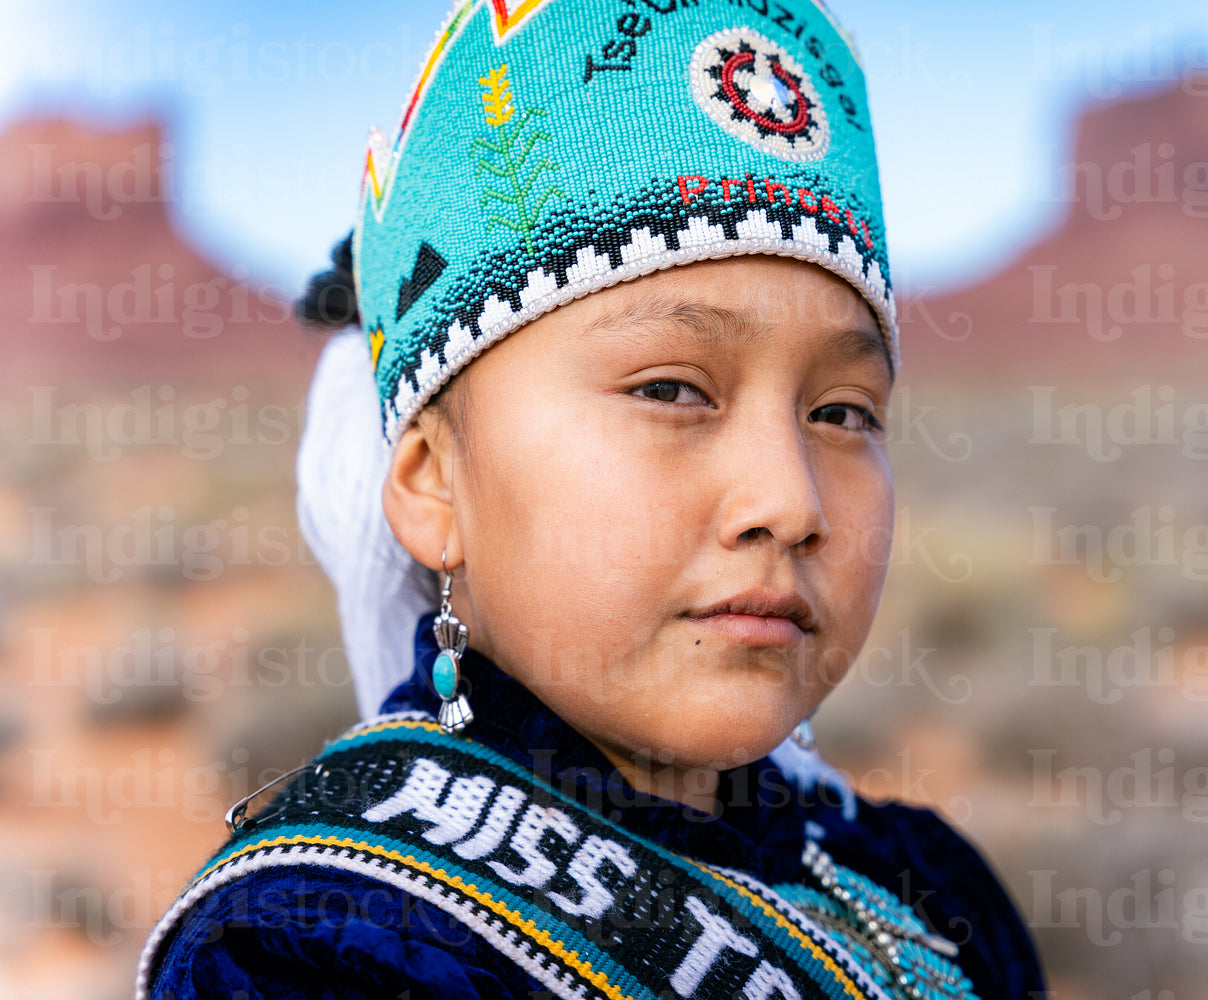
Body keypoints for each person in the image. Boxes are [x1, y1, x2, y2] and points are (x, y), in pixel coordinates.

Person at [136, 1, 1045, 997]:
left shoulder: (925, 885)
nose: (790, 500)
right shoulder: (323, 943)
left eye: (841, 411)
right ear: (433, 481)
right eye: (670, 389)